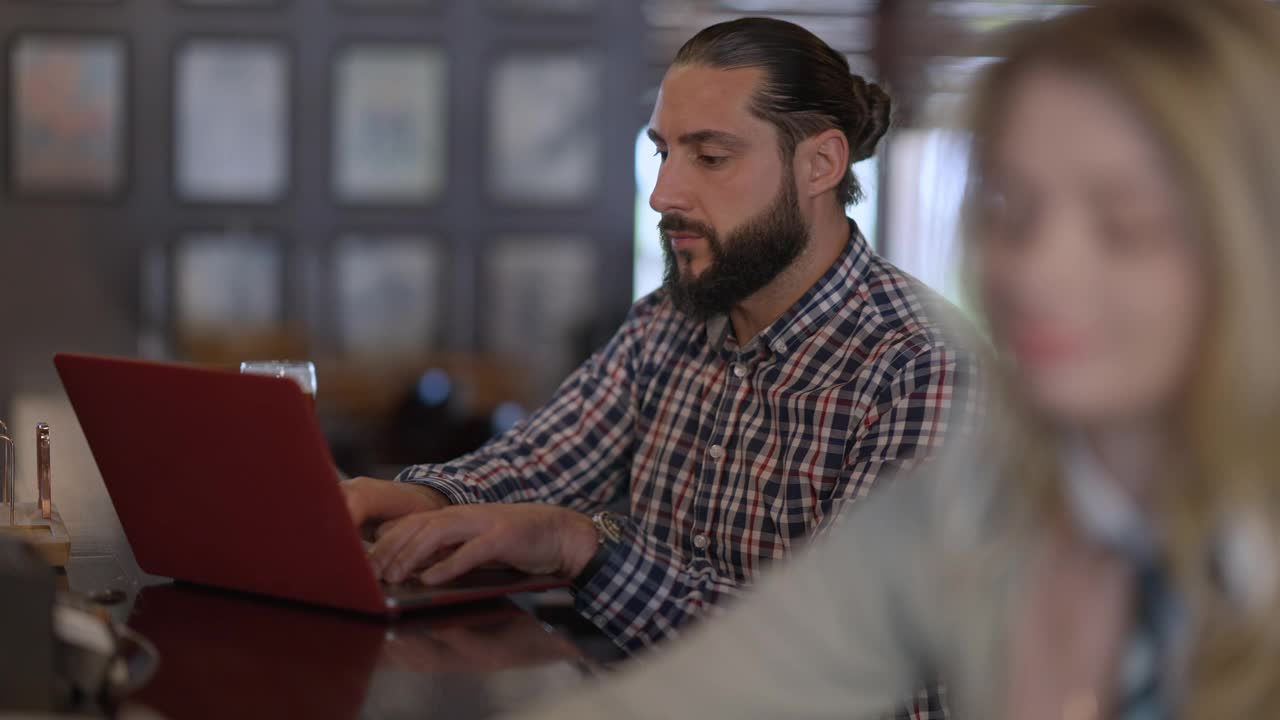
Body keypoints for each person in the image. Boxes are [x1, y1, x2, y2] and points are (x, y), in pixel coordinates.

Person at [504, 0, 1280, 718]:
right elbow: (744, 682)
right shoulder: (960, 514)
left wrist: (584, 545)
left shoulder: (923, 375)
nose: (1034, 272)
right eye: (1013, 208)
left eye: (1126, 223)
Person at [343, 17, 978, 715]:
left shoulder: (921, 368)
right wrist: (420, 498)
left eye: (709, 158)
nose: (663, 195)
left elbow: (827, 669)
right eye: (663, 152)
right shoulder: (668, 323)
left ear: (820, 166)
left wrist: (579, 545)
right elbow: (540, 461)